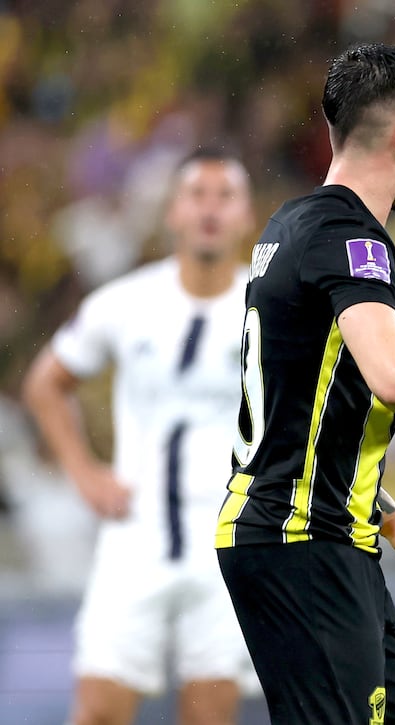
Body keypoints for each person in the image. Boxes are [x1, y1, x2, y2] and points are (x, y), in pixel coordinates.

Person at [213, 43, 395, 725]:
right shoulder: (350, 237)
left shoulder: (291, 223)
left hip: (324, 534)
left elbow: (303, 414)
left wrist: (383, 513)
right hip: (301, 542)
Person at [22, 147, 260, 725]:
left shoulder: (270, 310)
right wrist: (84, 474)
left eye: (224, 196)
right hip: (136, 534)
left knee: (209, 717)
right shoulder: (126, 302)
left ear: (247, 215)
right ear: (172, 211)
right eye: (196, 195)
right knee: (98, 713)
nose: (210, 209)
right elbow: (45, 383)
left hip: (226, 539)